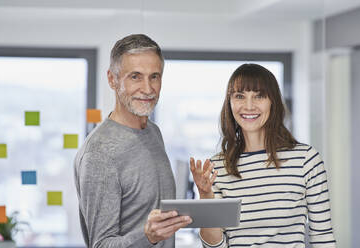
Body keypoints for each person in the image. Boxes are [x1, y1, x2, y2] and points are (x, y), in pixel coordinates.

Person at [190, 63, 336, 247]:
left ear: (272, 101)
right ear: (230, 103)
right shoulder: (217, 166)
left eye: (259, 96)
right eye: (240, 96)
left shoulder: (306, 160)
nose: (248, 106)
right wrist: (205, 197)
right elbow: (215, 247)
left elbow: (323, 237)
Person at [74, 34, 192, 248]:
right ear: (112, 79)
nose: (147, 89)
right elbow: (101, 245)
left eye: (154, 76)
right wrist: (148, 237)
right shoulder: (99, 153)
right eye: (135, 76)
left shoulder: (153, 132)